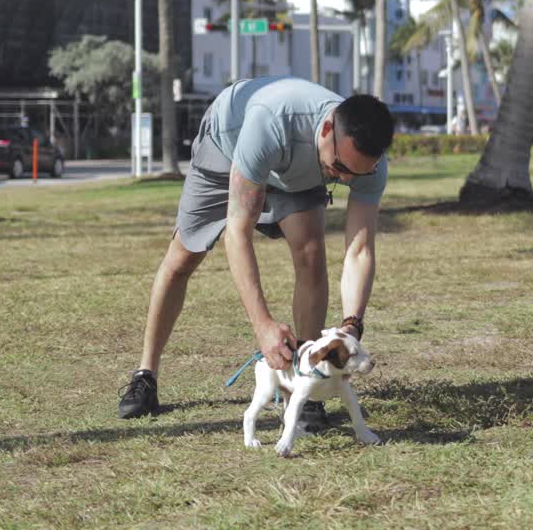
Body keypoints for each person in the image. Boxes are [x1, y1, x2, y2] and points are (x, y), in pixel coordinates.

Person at [117, 76, 395, 434]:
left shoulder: (368, 166)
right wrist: (263, 326)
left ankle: (307, 390)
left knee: (310, 254)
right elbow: (238, 231)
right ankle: (146, 375)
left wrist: (352, 322)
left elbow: (359, 249)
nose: (340, 178)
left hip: (296, 174)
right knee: (183, 259)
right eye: (339, 168)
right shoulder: (272, 120)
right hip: (228, 147)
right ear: (327, 128)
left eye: (352, 176)